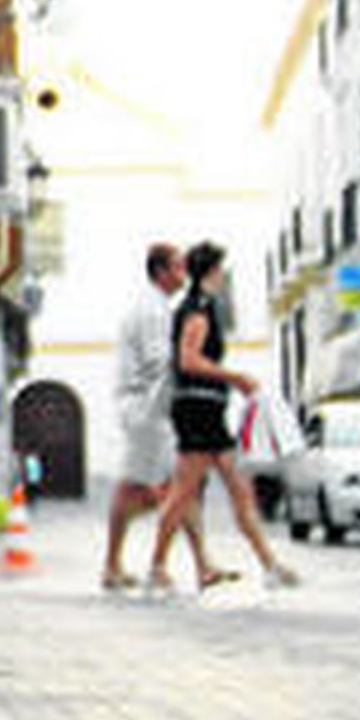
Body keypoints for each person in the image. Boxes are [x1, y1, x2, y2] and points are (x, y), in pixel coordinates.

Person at [147, 241, 300, 593]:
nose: (220, 276)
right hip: (198, 410)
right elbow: (188, 360)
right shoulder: (198, 309)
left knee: (236, 489)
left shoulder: (198, 306)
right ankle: (158, 566)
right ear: (212, 272)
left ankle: (269, 565)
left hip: (206, 410)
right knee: (185, 492)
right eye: (219, 270)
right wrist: (236, 378)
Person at [101, 241, 230, 591]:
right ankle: (181, 565)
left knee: (154, 487)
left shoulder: (156, 307)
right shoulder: (153, 312)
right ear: (161, 272)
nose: (184, 273)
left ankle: (121, 566)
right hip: (149, 408)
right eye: (177, 266)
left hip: (146, 408)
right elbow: (163, 363)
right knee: (171, 486)